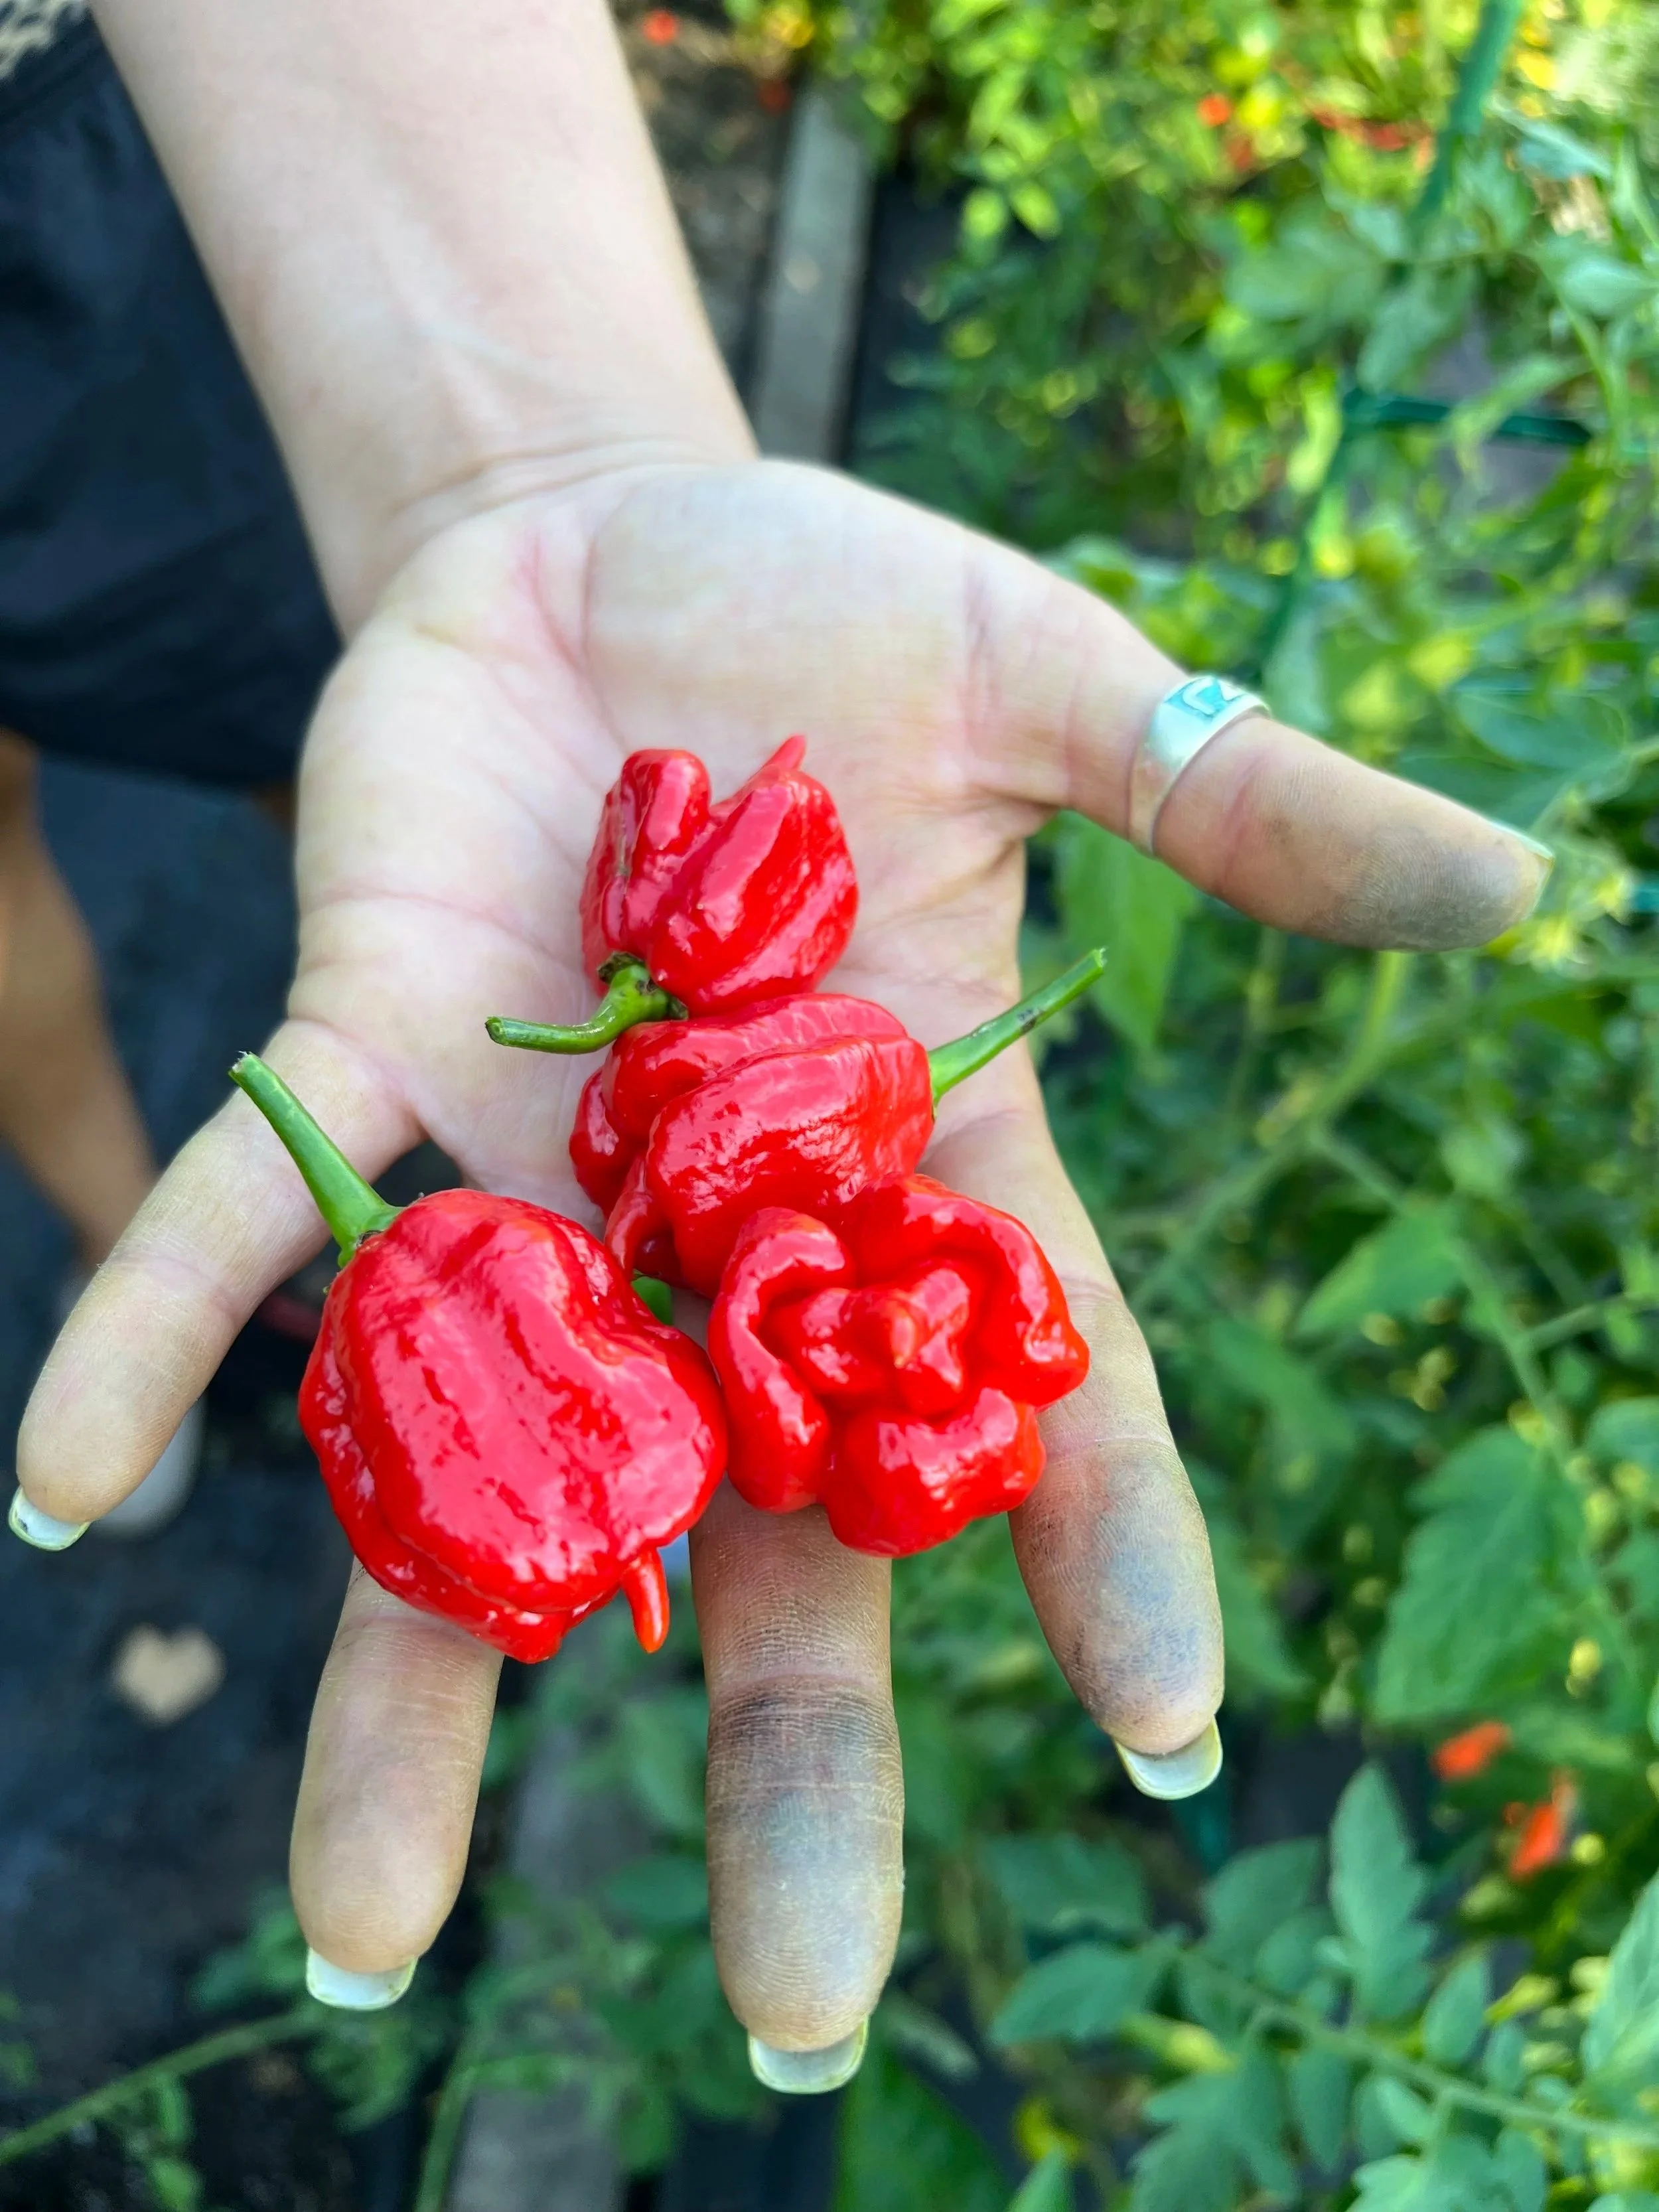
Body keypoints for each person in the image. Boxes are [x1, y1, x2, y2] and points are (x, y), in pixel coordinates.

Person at [7, 0, 1551, 2091]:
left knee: (343, 807)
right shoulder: (693, 1225)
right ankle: (178, 1260)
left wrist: (537, 468)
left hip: (117, 194)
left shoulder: (777, 1235)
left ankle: (229, 1290)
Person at [0, 4, 338, 1530]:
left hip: (52, 142)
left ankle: (146, 1266)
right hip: (48, 133)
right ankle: (150, 1272)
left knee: (301, 698)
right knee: (295, 690)